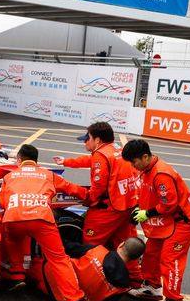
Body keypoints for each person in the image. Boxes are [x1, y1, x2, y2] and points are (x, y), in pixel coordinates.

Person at [0, 144, 97, 301]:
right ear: (36, 161)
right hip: (41, 220)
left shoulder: (9, 176)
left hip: (13, 219)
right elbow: (70, 188)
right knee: (59, 260)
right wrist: (90, 196)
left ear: (19, 160)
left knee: (14, 239)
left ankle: (17, 275)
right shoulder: (47, 174)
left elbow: (4, 202)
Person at [121, 139, 190, 301]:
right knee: (152, 253)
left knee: (170, 260)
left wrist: (147, 213)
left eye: (134, 162)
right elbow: (147, 194)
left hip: (183, 222)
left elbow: (170, 204)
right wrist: (139, 209)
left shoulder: (161, 173)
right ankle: (152, 287)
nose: (132, 166)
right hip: (167, 221)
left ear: (145, 156)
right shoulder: (147, 169)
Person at [52, 122, 143, 287]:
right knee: (124, 245)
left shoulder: (101, 156)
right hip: (127, 205)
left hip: (109, 208)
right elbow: (91, 160)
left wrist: (88, 200)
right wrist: (66, 161)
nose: (85, 142)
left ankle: (91, 280)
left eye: (88, 138)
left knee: (91, 244)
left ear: (98, 140)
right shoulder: (116, 150)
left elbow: (97, 189)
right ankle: (135, 280)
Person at [29, 236, 146, 301]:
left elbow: (68, 246)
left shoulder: (96, 251)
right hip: (63, 298)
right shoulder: (123, 286)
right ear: (134, 259)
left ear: (121, 245)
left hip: (45, 273)